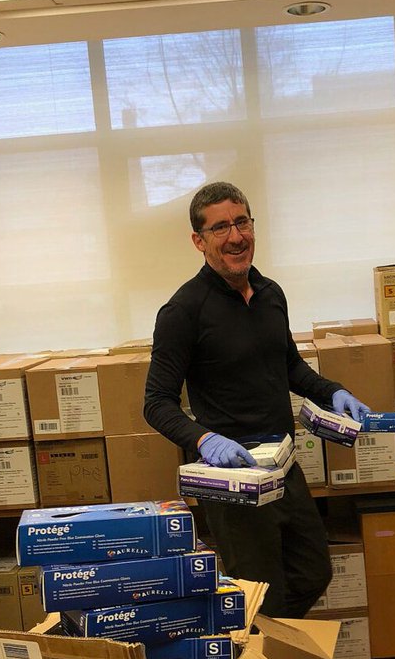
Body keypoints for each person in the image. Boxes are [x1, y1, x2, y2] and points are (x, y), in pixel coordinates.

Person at [143, 181, 370, 617]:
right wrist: (205, 440)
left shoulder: (271, 294)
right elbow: (156, 402)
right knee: (263, 598)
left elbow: (289, 369)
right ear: (200, 241)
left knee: (313, 571)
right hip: (233, 481)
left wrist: (334, 391)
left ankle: (277, 654)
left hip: (283, 466)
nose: (235, 236)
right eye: (221, 227)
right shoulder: (183, 311)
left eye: (242, 222)